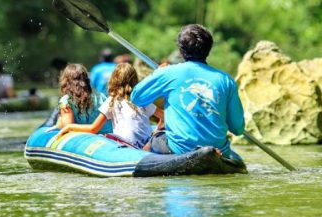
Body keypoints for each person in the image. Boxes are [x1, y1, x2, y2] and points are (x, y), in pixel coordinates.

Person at [130, 24, 245, 160]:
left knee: (156, 136)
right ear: (209, 49)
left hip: (179, 150)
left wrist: (158, 73)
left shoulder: (168, 73)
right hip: (219, 150)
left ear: (181, 50)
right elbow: (238, 129)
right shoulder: (226, 80)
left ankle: (141, 168)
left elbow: (136, 98)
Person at [55, 62, 163, 149]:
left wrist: (67, 127)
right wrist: (157, 130)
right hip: (144, 143)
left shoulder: (111, 101)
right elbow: (165, 116)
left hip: (121, 142)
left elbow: (92, 128)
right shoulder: (141, 99)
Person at [55, 63, 112, 134]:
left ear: (66, 82)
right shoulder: (101, 96)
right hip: (110, 137)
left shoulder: (66, 101)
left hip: (89, 139)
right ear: (87, 80)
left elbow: (68, 128)